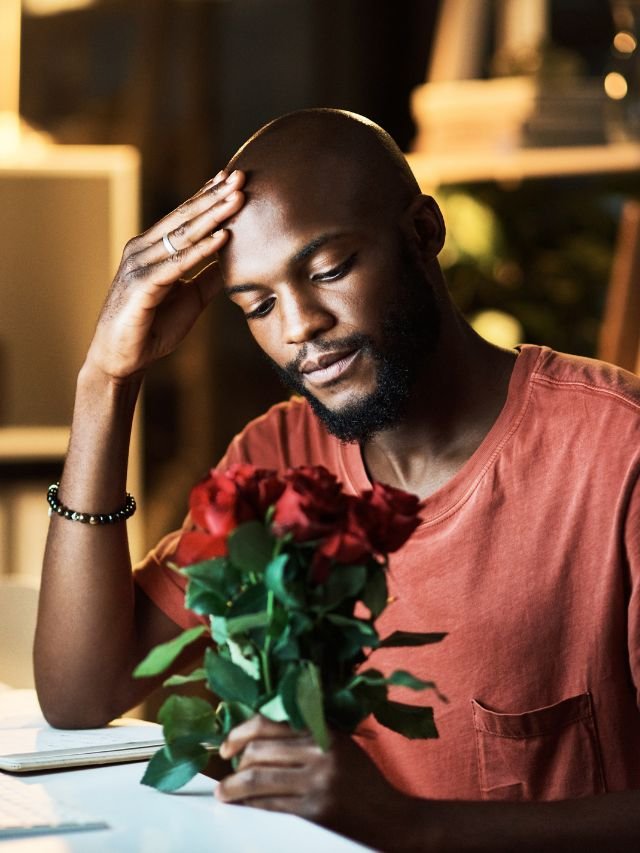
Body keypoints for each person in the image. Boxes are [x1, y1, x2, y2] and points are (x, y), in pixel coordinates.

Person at [35, 109, 640, 851]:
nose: (298, 326)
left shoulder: (617, 452)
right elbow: (79, 695)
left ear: (422, 234)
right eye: (256, 304)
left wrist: (410, 829)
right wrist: (105, 378)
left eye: (327, 271)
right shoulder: (278, 460)